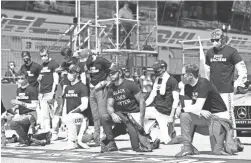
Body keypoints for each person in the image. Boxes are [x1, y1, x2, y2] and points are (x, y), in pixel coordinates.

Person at [175, 63, 230, 157]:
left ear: (190, 75)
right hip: (205, 118)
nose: (181, 76)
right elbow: (191, 108)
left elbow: (196, 107)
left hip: (219, 118)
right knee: (185, 116)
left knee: (217, 151)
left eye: (183, 74)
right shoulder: (187, 86)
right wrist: (199, 111)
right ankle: (187, 147)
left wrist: (186, 109)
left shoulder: (203, 83)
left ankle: (235, 143)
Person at [101, 65, 154, 152]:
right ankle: (110, 142)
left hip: (133, 115)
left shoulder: (130, 84)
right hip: (121, 115)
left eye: (113, 73)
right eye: (110, 74)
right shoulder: (111, 88)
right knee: (105, 117)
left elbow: (141, 101)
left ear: (120, 73)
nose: (111, 75)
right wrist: (112, 114)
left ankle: (146, 141)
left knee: (138, 146)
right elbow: (109, 106)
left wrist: (141, 118)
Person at [205, 29, 247, 137]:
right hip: (213, 91)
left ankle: (232, 140)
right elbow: (206, 71)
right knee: (215, 116)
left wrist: (238, 84)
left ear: (222, 39)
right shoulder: (209, 53)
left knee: (229, 115)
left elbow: (242, 69)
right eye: (212, 40)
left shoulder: (231, 51)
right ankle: (217, 140)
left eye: (216, 39)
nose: (214, 42)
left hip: (226, 91)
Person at [8, 73, 50, 147]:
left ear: (26, 78)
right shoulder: (18, 90)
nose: (20, 80)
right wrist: (14, 107)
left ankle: (26, 140)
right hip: (21, 114)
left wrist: (21, 103)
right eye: (18, 79)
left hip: (31, 115)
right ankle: (34, 138)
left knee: (13, 123)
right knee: (10, 119)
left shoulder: (32, 89)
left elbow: (34, 106)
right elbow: (19, 103)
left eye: (22, 78)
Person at [145, 60, 179, 144]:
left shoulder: (172, 81)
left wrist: (172, 116)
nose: (155, 71)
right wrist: (142, 106)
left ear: (163, 68)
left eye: (157, 69)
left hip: (166, 112)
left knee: (167, 141)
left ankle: (177, 135)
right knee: (139, 114)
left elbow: (176, 100)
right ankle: (149, 133)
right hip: (156, 109)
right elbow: (151, 96)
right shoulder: (157, 80)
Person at [86, 51, 112, 146]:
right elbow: (88, 73)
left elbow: (112, 68)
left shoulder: (101, 60)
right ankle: (96, 138)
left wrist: (107, 81)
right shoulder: (87, 62)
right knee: (95, 115)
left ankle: (107, 136)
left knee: (103, 114)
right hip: (92, 88)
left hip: (101, 88)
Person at [61, 64, 89, 149]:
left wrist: (72, 113)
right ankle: (76, 139)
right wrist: (63, 120)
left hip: (82, 117)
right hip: (71, 118)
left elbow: (85, 105)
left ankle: (73, 141)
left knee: (69, 118)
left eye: (70, 72)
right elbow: (65, 105)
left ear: (77, 74)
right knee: (66, 118)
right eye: (68, 72)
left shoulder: (82, 87)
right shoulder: (67, 88)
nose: (68, 74)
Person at [37, 48, 59, 134]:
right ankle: (46, 131)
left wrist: (53, 93)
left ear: (48, 54)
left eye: (45, 55)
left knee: (53, 114)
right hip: (42, 93)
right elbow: (40, 79)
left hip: (50, 92)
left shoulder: (54, 64)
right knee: (44, 114)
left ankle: (55, 132)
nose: (43, 57)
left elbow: (56, 80)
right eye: (41, 56)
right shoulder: (41, 66)